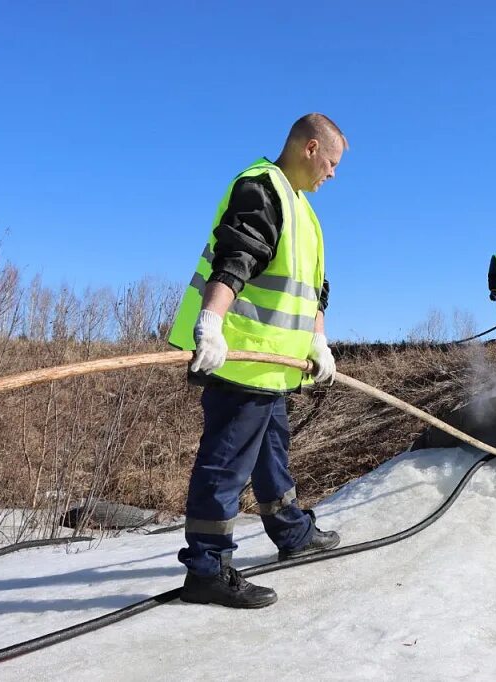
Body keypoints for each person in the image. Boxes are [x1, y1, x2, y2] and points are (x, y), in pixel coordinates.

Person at [166, 113, 347, 608]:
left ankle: (290, 531)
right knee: (226, 464)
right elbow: (236, 258)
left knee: (272, 454)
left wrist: (318, 341)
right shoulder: (262, 188)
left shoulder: (304, 211)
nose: (333, 173)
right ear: (310, 148)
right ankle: (206, 567)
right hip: (239, 360)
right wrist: (211, 322)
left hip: (274, 367)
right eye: (331, 162)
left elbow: (314, 290)